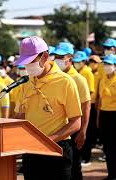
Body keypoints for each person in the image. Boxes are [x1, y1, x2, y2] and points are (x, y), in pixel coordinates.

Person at [14, 36, 82, 180]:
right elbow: (20, 117)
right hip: (31, 151)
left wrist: (48, 140)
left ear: (44, 56)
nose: (27, 66)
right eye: (25, 62)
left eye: (31, 61)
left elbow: (76, 123)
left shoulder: (65, 82)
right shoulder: (26, 83)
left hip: (57, 150)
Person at [53, 42, 91, 180]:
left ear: (70, 59)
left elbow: (86, 107)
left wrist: (83, 131)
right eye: (56, 56)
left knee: (74, 168)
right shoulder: (55, 77)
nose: (57, 59)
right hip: (58, 129)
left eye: (61, 56)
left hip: (73, 129)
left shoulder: (79, 79)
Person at [98, 54, 116, 180]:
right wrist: (98, 118)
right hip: (104, 114)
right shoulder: (103, 80)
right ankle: (111, 173)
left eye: (109, 64)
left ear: (115, 66)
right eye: (105, 64)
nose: (106, 67)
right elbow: (100, 100)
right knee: (107, 147)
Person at [72, 51, 95, 166]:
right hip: (79, 106)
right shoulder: (79, 72)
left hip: (85, 106)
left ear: (84, 62)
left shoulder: (87, 73)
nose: (76, 63)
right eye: (75, 61)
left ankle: (85, 157)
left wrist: (86, 106)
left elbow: (90, 92)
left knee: (86, 133)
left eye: (78, 61)